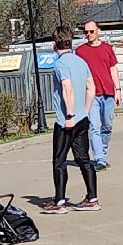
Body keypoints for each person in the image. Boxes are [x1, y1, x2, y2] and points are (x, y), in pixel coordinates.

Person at [43, 26, 98, 215]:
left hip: (66, 120)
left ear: (54, 43)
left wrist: (70, 115)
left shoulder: (60, 64)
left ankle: (59, 202)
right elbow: (91, 87)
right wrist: (86, 110)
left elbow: (68, 89)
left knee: (59, 161)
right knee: (83, 158)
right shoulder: (81, 61)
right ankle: (92, 198)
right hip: (83, 117)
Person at [77, 21, 120, 170]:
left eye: (91, 31)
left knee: (107, 125)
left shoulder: (107, 49)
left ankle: (103, 152)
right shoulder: (80, 51)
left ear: (98, 31)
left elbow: (113, 69)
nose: (88, 35)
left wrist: (118, 90)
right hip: (91, 94)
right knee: (94, 127)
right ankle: (100, 159)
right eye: (86, 32)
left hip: (108, 92)